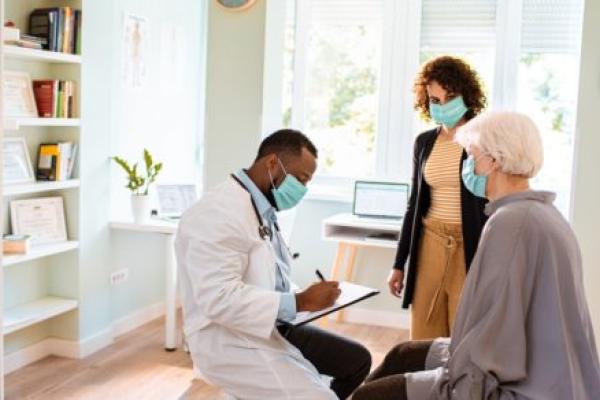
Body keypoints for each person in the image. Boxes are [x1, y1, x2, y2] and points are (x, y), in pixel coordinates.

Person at [352, 111, 600, 399]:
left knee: (369, 396)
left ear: (493, 160)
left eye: (471, 156)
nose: (467, 166)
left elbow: (492, 338)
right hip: (542, 367)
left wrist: (455, 384)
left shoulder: (510, 223)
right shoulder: (545, 213)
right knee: (401, 354)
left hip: (520, 382)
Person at [176, 129, 371, 400]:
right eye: (301, 179)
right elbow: (218, 299)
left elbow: (268, 273)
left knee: (357, 361)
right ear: (271, 164)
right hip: (228, 339)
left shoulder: (262, 208)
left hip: (272, 324)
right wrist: (300, 301)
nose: (303, 190)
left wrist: (304, 299)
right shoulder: (217, 213)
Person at [388, 56, 488, 339]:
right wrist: (398, 264)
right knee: (424, 330)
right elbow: (414, 205)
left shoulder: (483, 139)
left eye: (450, 97)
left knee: (464, 331)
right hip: (429, 241)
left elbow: (493, 202)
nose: (442, 106)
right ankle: (424, 384)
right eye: (435, 99)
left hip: (469, 245)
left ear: (467, 95)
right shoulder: (424, 142)